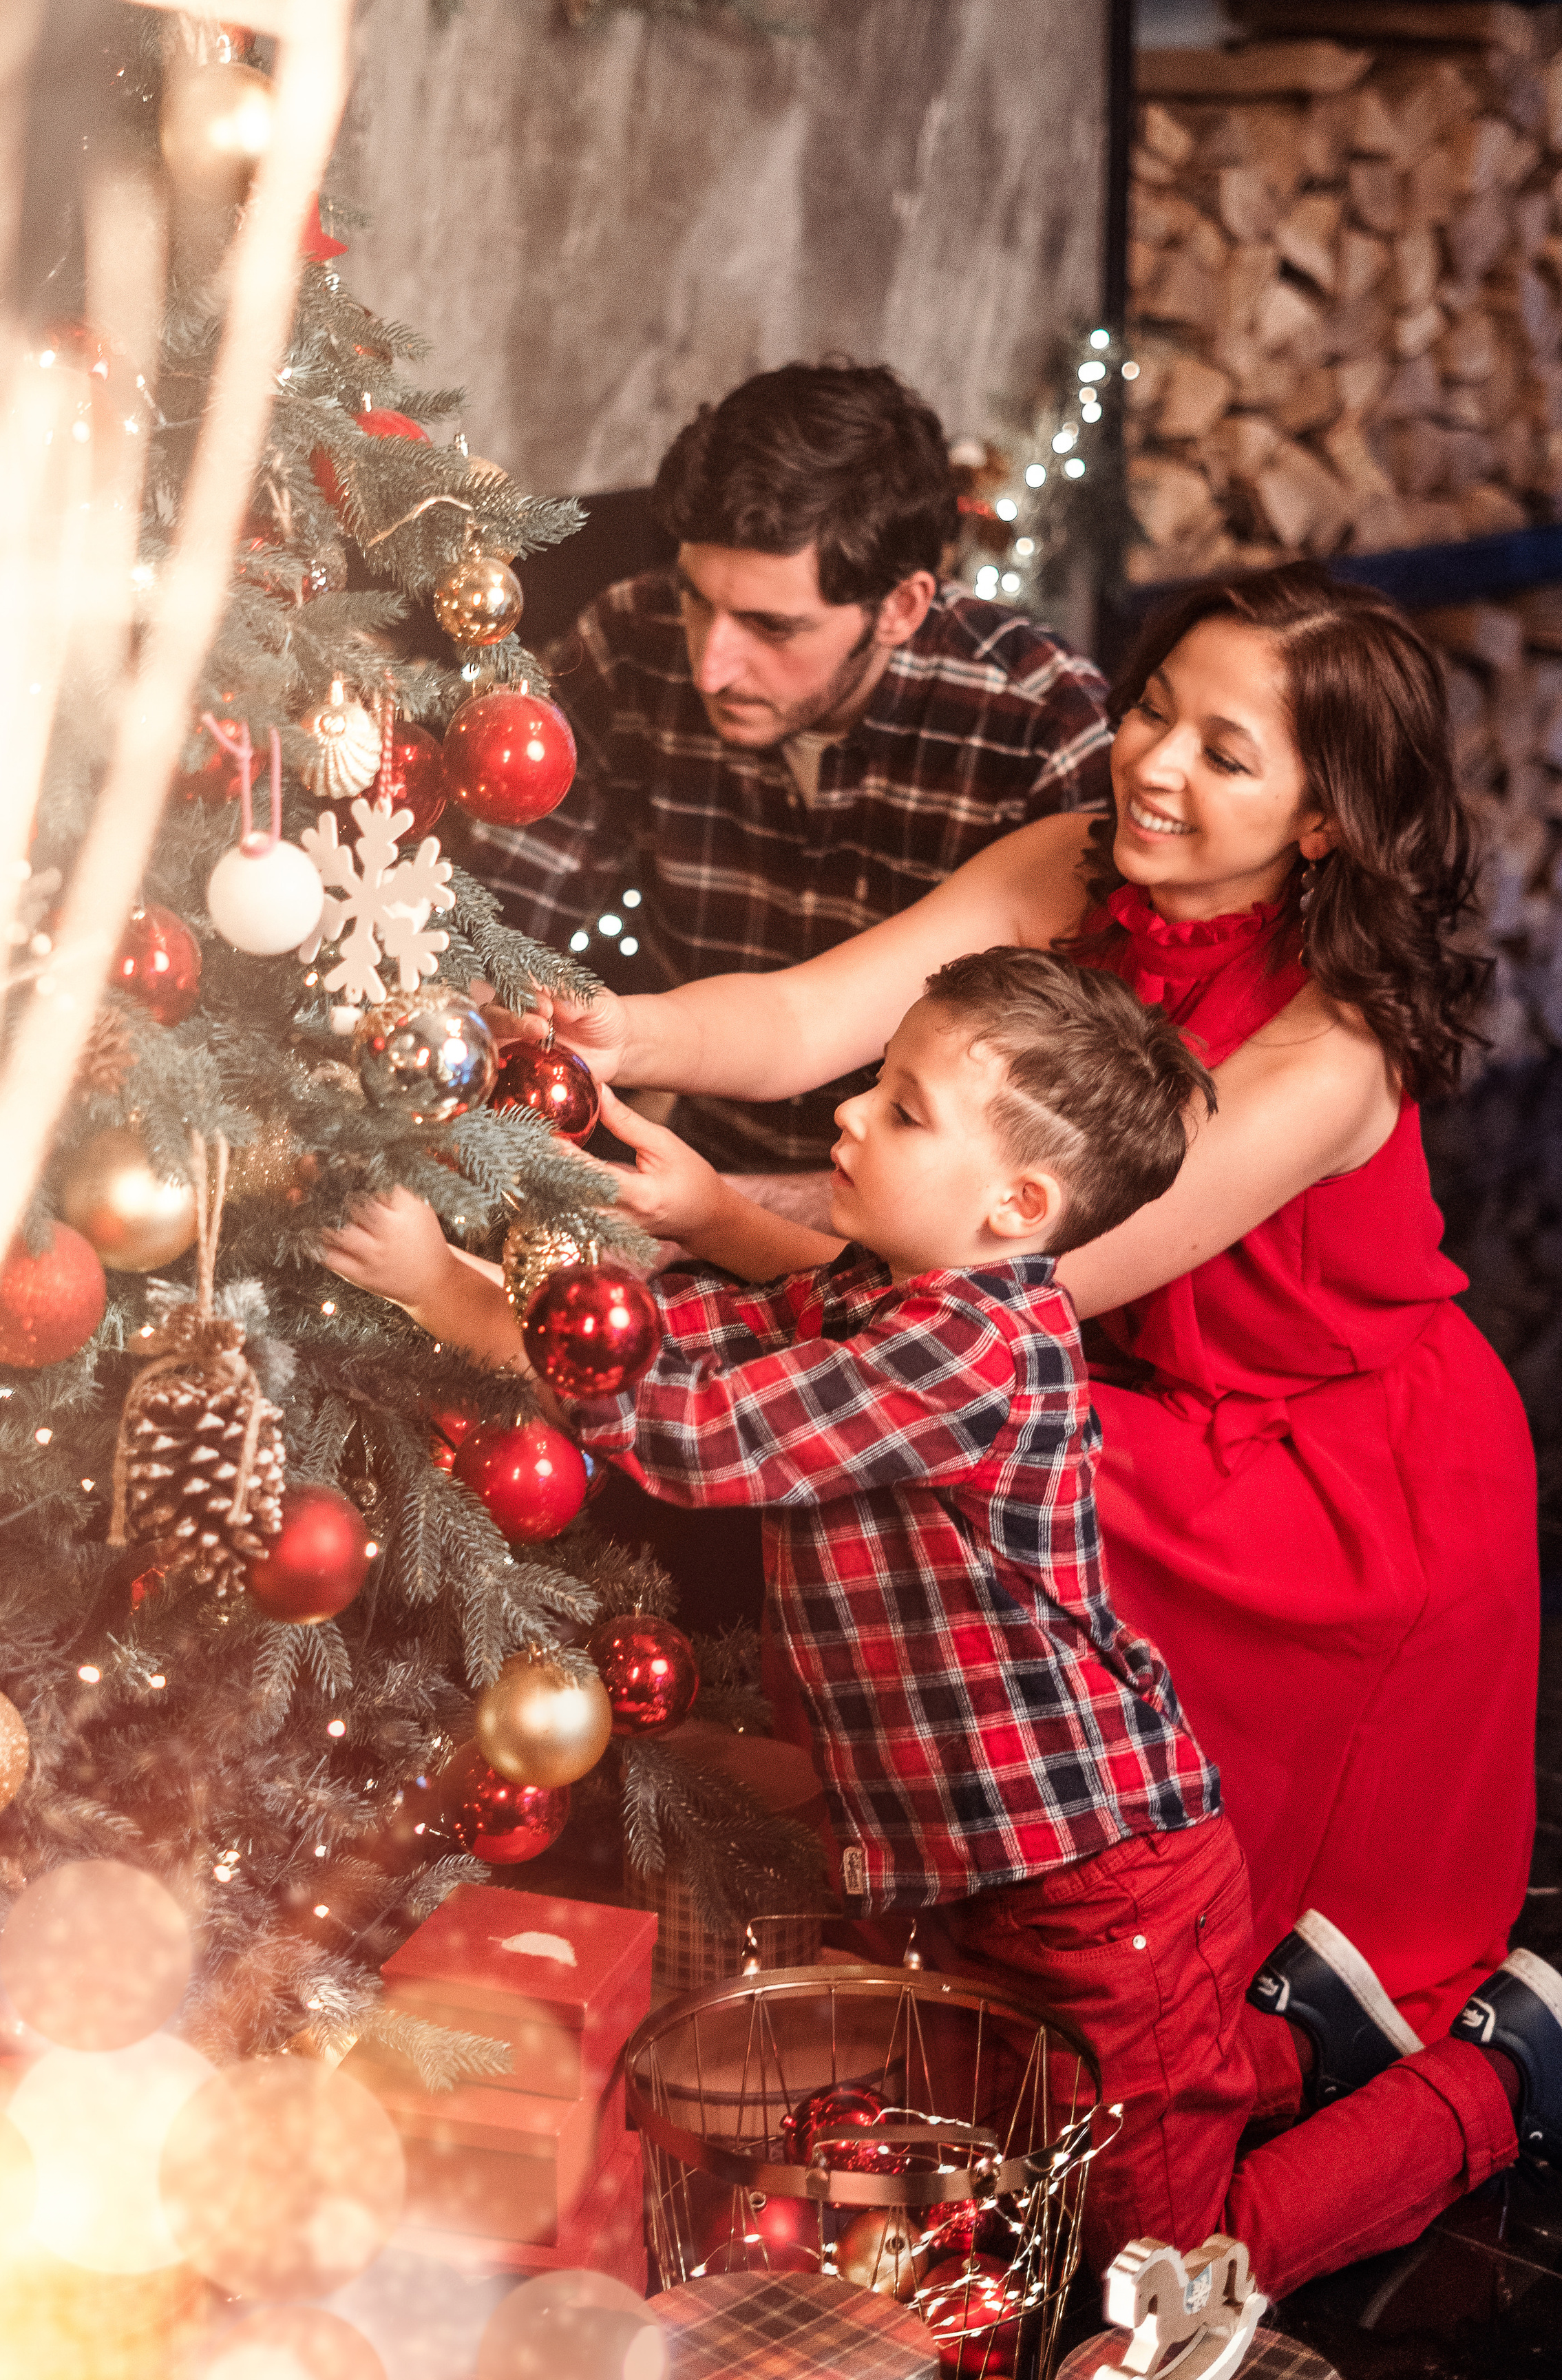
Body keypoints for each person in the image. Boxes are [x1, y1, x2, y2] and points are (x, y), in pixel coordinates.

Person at [321, 947, 1559, 2297]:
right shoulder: (873, 1297)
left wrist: (445, 1288)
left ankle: (1499, 2077)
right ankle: (1295, 2040)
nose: (848, 1113)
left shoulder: (973, 1346)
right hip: (983, 1880)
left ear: (1014, 1206)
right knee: (1024, 2157)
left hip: (1097, 1888)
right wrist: (611, 1240)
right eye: (875, 1084)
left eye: (901, 1109)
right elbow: (694, 1346)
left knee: (1156, 2268)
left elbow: (700, 1430)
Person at [497, 562, 1542, 2059]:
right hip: (1082, 1366)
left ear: (1319, 823)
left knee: (922, 1466)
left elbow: (1006, 1285)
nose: (1152, 765)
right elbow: (809, 1015)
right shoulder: (1078, 855)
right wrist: (621, 1030)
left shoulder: (1327, 1056)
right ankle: (919, 1884)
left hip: (1321, 1464)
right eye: (1153, 712)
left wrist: (710, 1214)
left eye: (1220, 754)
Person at [448, 360, 1114, 1175]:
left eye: (773, 626)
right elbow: (502, 918)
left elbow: (1063, 1123)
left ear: (901, 607)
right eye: (696, 597)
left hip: (922, 1229)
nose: (710, 667)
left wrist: (746, 1220)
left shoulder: (1041, 723)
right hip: (681, 1162)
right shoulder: (633, 636)